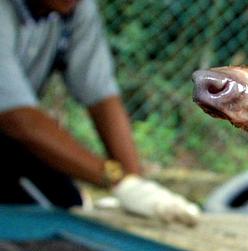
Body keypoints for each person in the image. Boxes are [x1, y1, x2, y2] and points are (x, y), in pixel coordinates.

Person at [0, 0, 199, 225]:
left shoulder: (75, 9)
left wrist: (137, 186)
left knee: (66, 204)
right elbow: (16, 118)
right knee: (35, 216)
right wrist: (118, 180)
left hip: (14, 145)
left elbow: (101, 95)